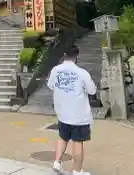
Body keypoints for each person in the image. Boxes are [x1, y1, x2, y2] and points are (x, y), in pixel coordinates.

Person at [47, 45, 96, 175]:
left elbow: (51, 85)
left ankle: (57, 162)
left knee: (62, 137)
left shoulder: (55, 70)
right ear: (76, 56)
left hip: (62, 112)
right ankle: (77, 170)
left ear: (64, 55)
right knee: (78, 142)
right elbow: (92, 90)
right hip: (79, 114)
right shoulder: (82, 73)